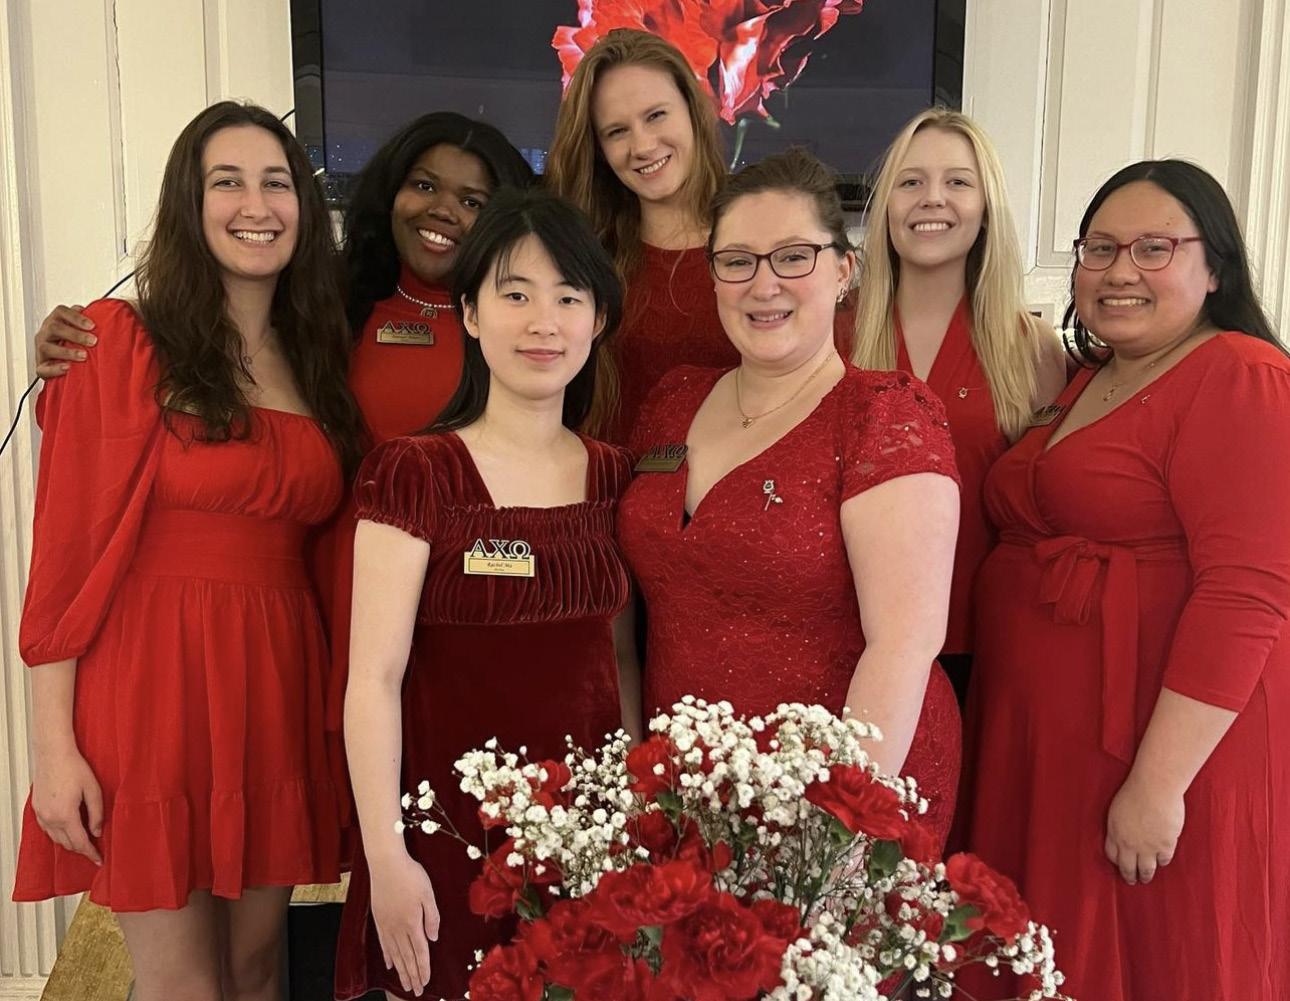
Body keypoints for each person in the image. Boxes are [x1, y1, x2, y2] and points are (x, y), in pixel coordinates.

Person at [12, 101, 364, 1001]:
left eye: (277, 182)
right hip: (151, 682)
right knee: (184, 986)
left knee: (256, 970)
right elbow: (64, 557)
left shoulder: (318, 357)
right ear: (188, 204)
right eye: (227, 182)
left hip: (276, 682)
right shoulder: (116, 342)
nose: (257, 204)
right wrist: (52, 751)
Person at [960, 160, 1290, 1000]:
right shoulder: (1092, 376)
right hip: (1053, 752)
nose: (1119, 270)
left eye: (1153, 248)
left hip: (1156, 746)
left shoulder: (1240, 374)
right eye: (1100, 248)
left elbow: (1247, 592)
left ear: (1214, 268)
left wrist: (1157, 785)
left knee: (1154, 960)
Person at [333, 187, 641, 1000]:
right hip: (446, 838)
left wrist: (634, 820)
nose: (544, 322)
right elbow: (372, 680)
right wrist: (386, 855)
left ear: (597, 320)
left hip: (585, 837)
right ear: (469, 312)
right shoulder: (415, 471)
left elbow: (620, 664)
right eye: (516, 294)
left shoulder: (615, 476)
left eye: (568, 297)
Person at [618, 148, 963, 846]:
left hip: (842, 797)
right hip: (686, 781)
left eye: (793, 256)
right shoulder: (671, 402)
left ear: (843, 270)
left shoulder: (882, 416)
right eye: (737, 260)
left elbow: (904, 643)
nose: (763, 283)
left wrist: (832, 836)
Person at [547, 28, 857, 444]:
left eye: (656, 115)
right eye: (616, 131)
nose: (642, 145)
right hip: (611, 479)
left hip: (760, 479)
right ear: (598, 149)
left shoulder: (775, 249)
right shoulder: (584, 260)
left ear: (694, 111)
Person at [852, 108, 1067, 705]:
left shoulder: (1031, 348)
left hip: (984, 643)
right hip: (849, 639)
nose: (932, 198)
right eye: (911, 181)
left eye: (957, 182)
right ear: (886, 205)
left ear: (986, 207)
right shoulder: (833, 334)